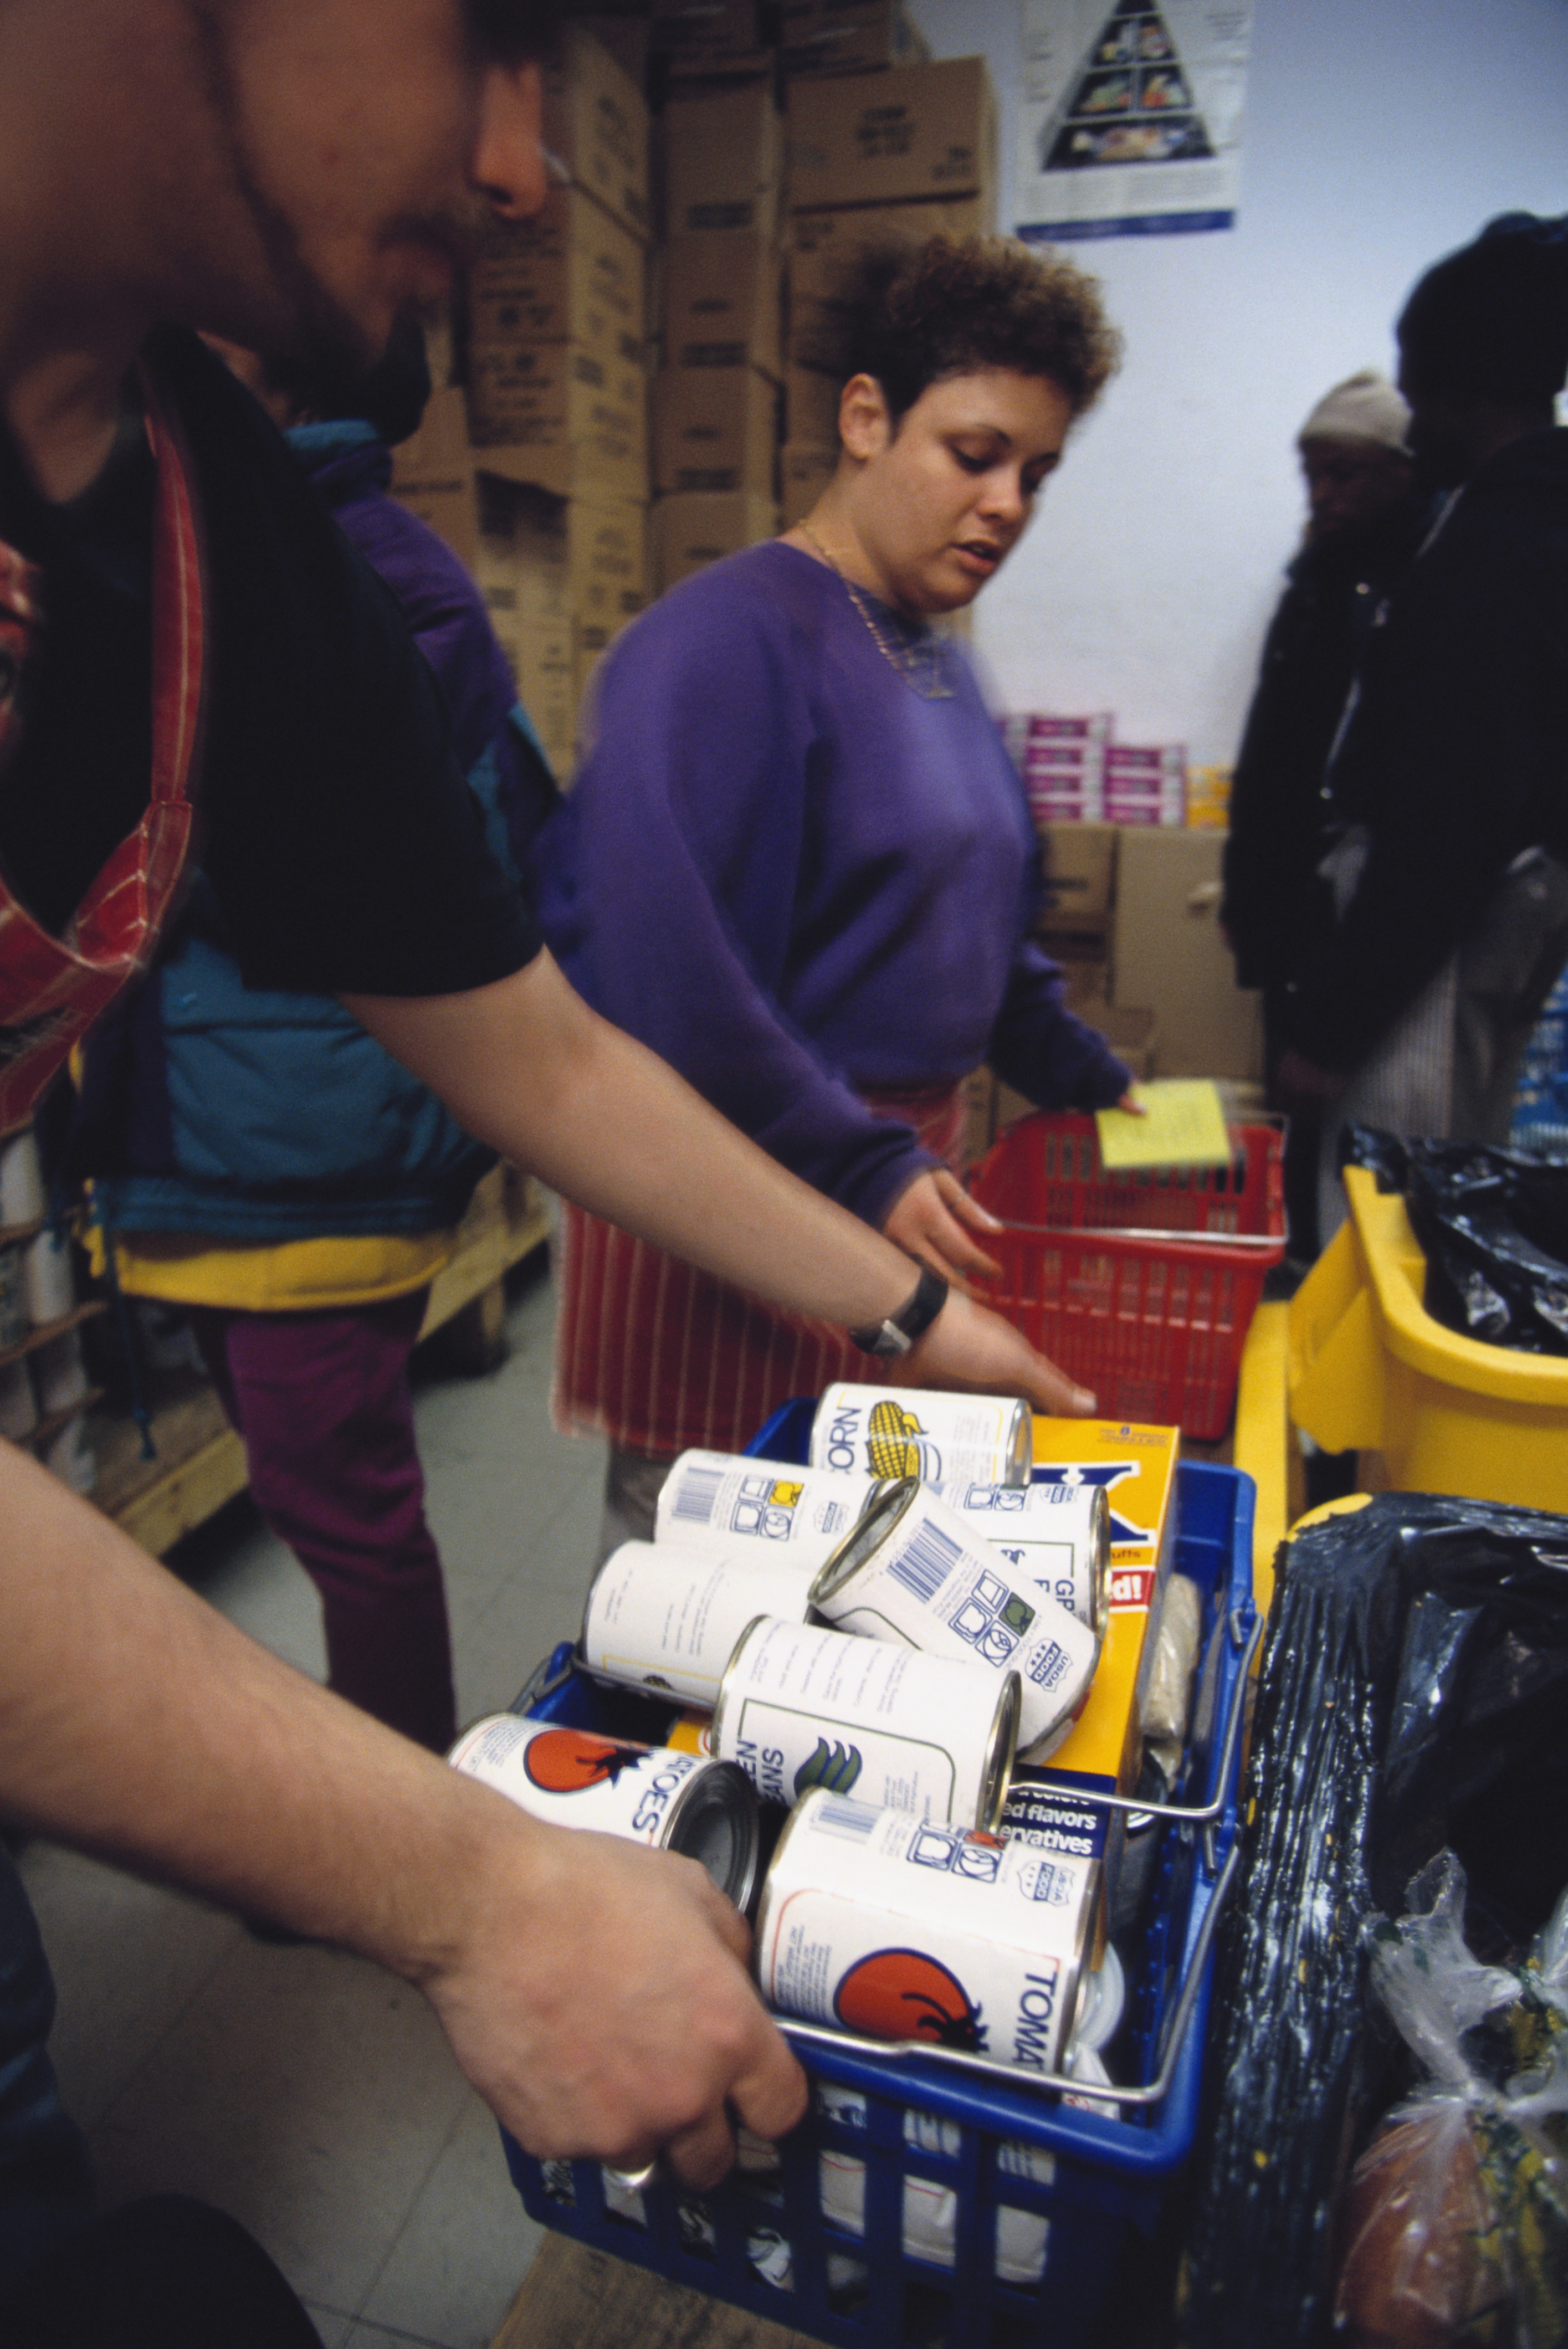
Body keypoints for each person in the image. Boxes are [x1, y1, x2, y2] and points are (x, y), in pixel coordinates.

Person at [0, 0, 1099, 2271]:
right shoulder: (718, 642)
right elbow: (651, 973)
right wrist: (470, 1883)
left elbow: (548, 1056)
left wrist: (915, 1302)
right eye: (487, 39)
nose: (526, 169)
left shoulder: (208, 514)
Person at [531, 236, 1136, 1551]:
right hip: (733, 1184)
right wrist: (858, 1157)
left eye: (1035, 473)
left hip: (890, 1181)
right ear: (864, 417)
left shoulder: (937, 663)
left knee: (859, 1560)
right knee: (711, 1579)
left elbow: (983, 927)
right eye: (972, 454)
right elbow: (652, 965)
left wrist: (1095, 1082)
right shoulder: (720, 642)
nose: (1007, 505)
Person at [59, 325, 552, 1758]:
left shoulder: (336, 567)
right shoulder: (242, 540)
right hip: (235, 1112)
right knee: (324, 1496)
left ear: (267, 362)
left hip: (300, 1143)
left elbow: (365, 873)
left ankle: (405, 1811)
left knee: (345, 1514)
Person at [1273, 216, 1568, 1243]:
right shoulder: (1520, 513)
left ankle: (1360, 1411)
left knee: (1381, 1217)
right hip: (1498, 913)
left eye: (1413, 379)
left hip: (1445, 934)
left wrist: (1332, 1025)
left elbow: (1449, 815)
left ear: (1464, 390)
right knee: (1447, 1189)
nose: (1406, 415)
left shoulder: (1496, 543)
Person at [1221, 371, 1433, 1258]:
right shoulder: (1313, 583)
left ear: (1400, 472)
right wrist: (1249, 899)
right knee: (1296, 1115)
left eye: (1347, 472)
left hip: (1354, 908)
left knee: (1352, 1128)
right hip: (1288, 901)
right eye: (1313, 473)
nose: (1326, 494)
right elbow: (1275, 752)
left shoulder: (1420, 586)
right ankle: (1294, 1275)